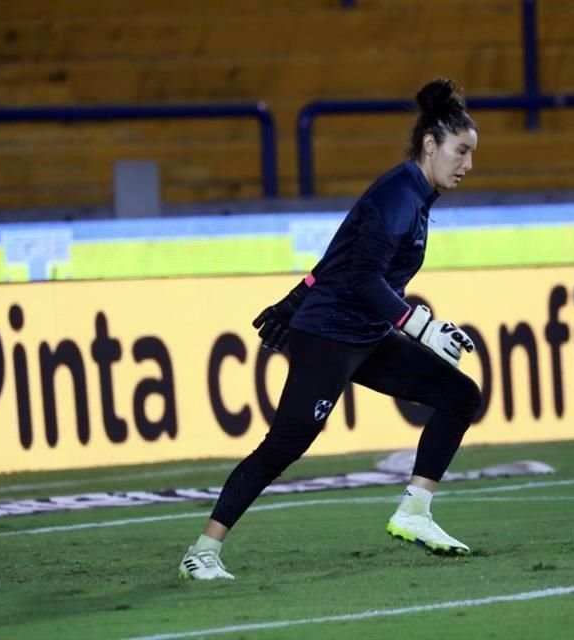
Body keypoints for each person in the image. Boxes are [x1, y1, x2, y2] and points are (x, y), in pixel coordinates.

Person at [178, 78, 482, 580]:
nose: (468, 164)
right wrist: (422, 328)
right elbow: (363, 277)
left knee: (459, 396)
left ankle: (414, 512)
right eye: (461, 151)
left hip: (363, 332)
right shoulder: (400, 196)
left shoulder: (414, 195)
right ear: (431, 145)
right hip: (331, 333)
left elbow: (342, 254)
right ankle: (202, 551)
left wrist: (297, 295)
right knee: (286, 444)